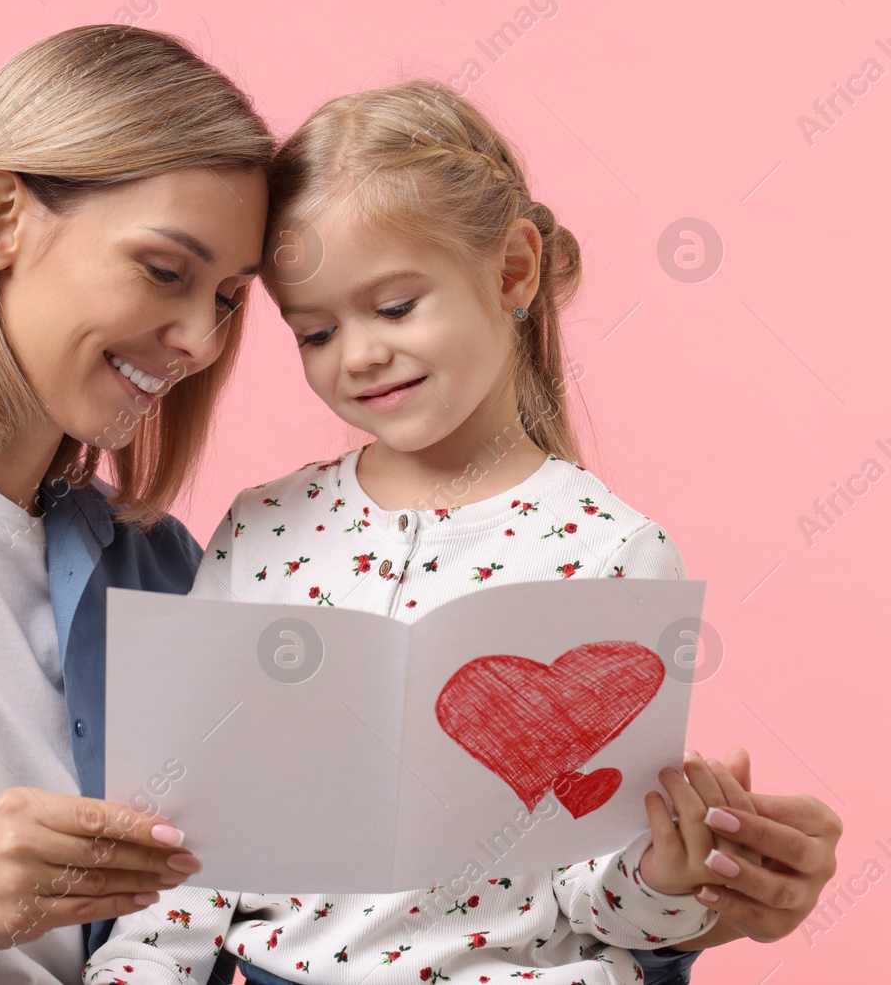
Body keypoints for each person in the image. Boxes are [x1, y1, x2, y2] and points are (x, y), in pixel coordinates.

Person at [0, 29, 837, 985]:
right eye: (167, 270)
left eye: (226, 296)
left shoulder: (162, 566)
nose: (201, 338)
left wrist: (699, 890)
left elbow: (448, 913)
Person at [82, 81, 843, 985]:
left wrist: (668, 875)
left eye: (396, 307)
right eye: (315, 330)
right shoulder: (265, 527)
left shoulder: (612, 550)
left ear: (514, 271)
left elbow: (598, 901)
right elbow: (185, 825)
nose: (357, 354)